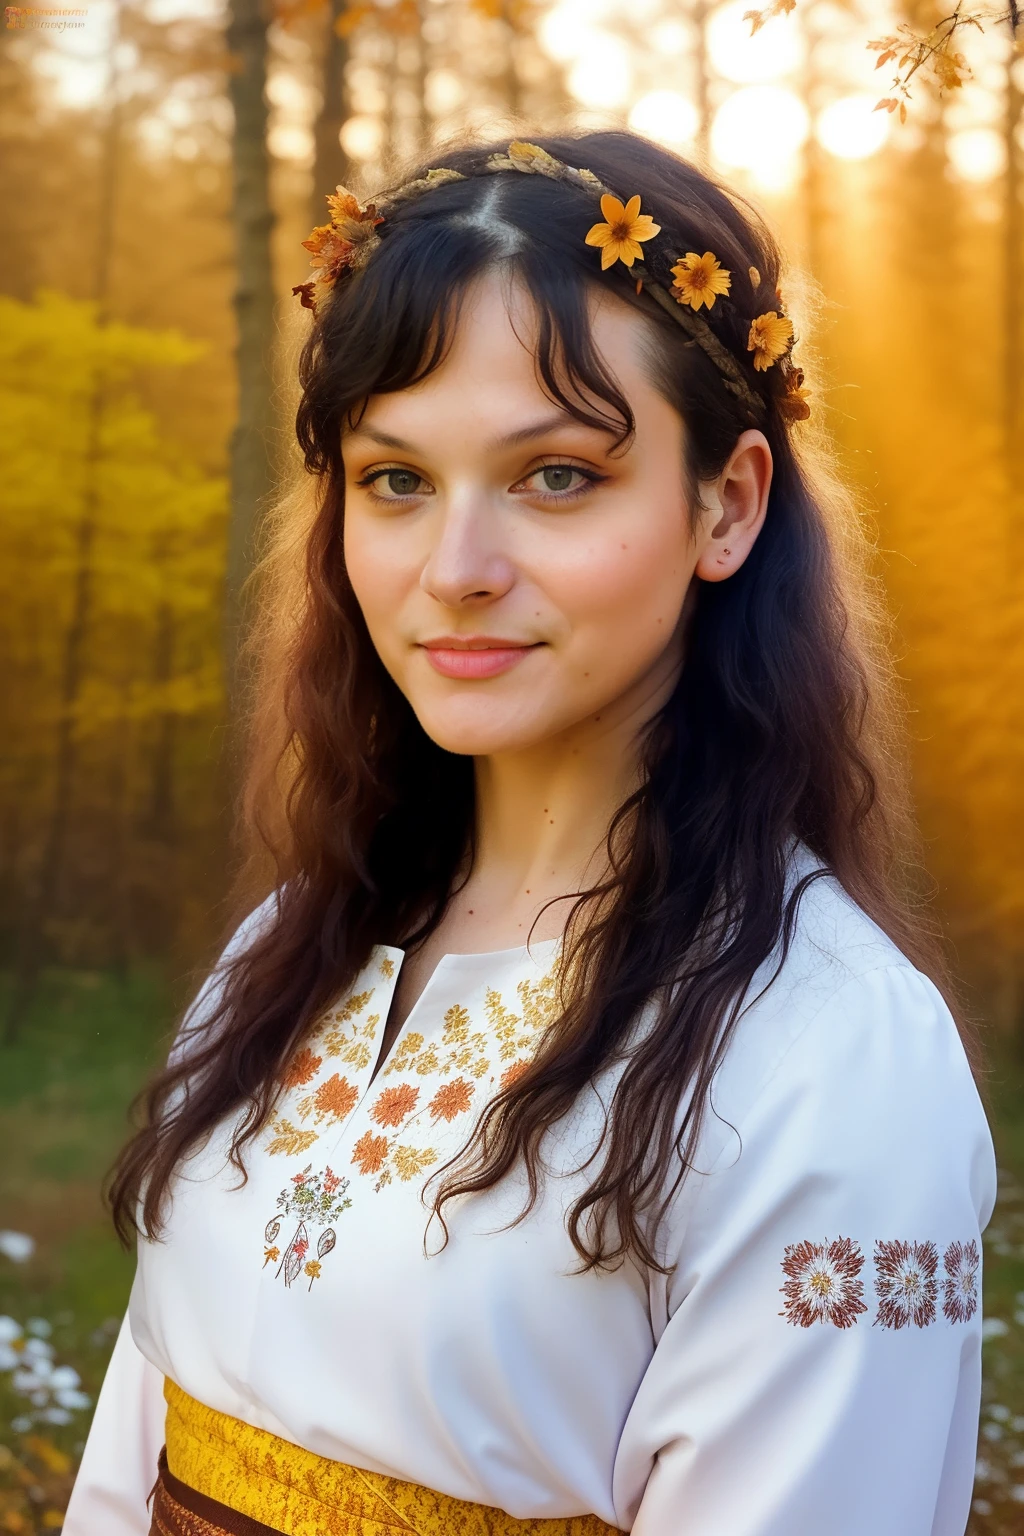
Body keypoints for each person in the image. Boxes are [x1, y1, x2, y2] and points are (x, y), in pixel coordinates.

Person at [64, 132, 994, 1536]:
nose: (456, 571)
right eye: (395, 480)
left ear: (726, 503)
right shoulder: (300, 945)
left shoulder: (829, 1057)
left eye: (556, 475)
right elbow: (134, 1450)